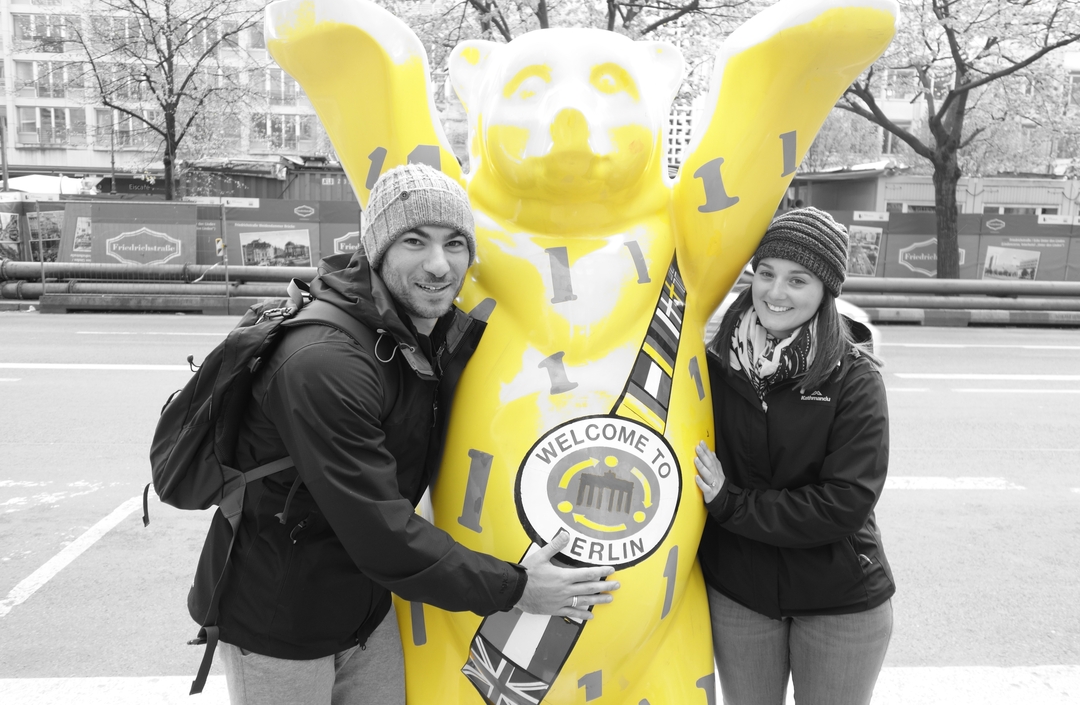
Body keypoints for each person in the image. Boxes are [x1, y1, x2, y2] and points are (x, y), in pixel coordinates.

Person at [199, 163, 619, 705]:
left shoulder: (418, 335)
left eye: (454, 243)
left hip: (366, 608)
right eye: (414, 241)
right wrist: (518, 588)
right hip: (279, 620)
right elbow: (381, 531)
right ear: (377, 250)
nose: (439, 264)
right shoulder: (323, 363)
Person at [694, 207, 894, 705]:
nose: (775, 292)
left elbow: (844, 503)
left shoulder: (855, 377)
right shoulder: (714, 364)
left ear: (826, 290)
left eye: (797, 279)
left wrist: (731, 503)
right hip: (739, 594)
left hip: (838, 600)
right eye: (766, 273)